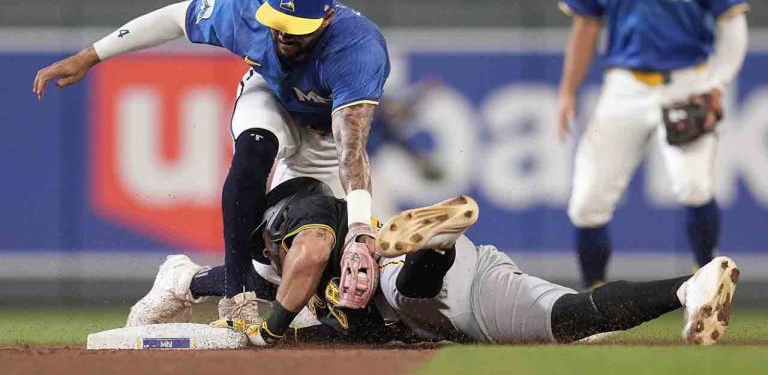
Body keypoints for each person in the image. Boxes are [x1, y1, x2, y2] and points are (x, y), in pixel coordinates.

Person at [32, 0, 390, 322]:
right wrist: (88, 57)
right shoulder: (247, 9)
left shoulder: (358, 49)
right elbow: (175, 18)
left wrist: (359, 228)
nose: (282, 33)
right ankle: (236, 294)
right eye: (278, 20)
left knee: (293, 271)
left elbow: (350, 148)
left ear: (326, 20)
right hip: (271, 97)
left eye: (295, 27)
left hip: (325, 142)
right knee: (254, 148)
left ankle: (184, 281)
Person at [127, 177, 740, 346]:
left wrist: (271, 332)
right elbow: (243, 281)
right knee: (577, 318)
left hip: (431, 286)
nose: (269, 252)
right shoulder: (279, 269)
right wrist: (189, 282)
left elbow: (311, 273)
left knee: (389, 287)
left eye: (271, 241)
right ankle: (690, 287)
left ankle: (431, 246)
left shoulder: (314, 240)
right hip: (471, 276)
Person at [556, 0, 749, 288]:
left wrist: (716, 85)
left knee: (694, 186)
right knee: (586, 203)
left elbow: (732, 24)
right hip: (624, 86)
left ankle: (707, 286)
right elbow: (586, 25)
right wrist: (568, 90)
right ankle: (593, 300)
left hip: (687, 82)